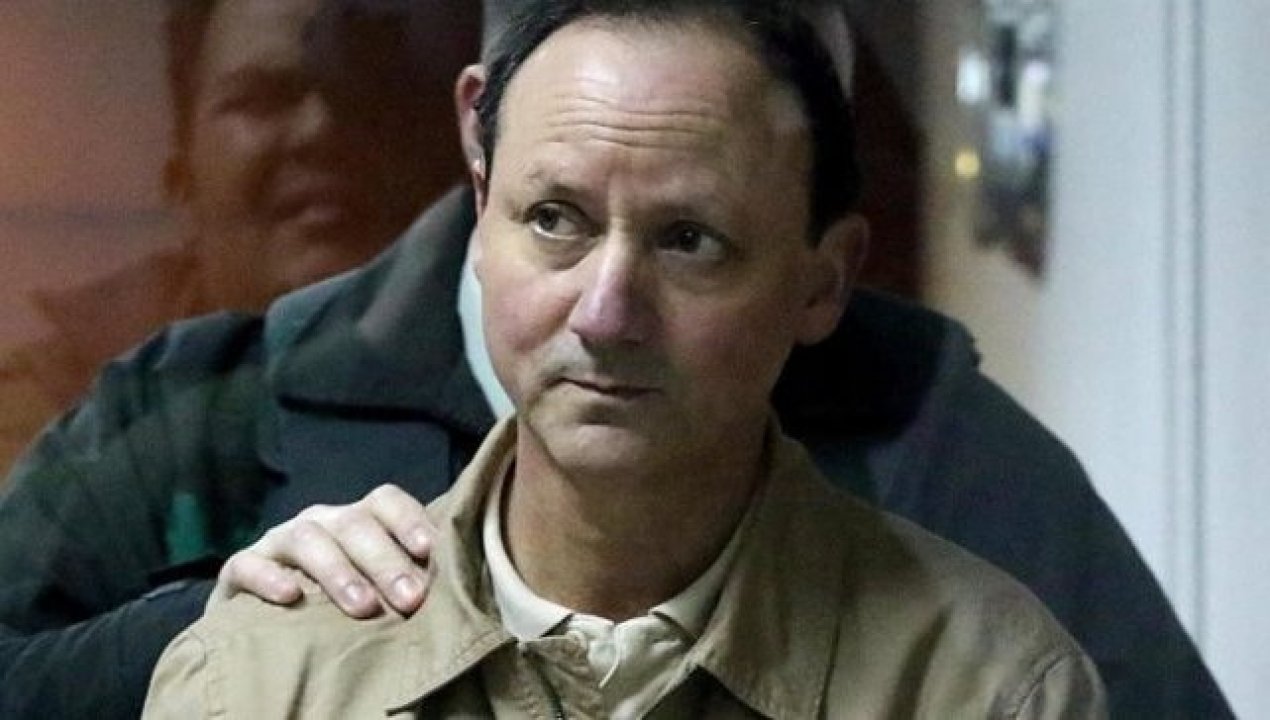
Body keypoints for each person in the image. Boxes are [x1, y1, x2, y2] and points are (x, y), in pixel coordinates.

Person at [0, 0, 1232, 718]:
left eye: (691, 240)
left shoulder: (938, 473)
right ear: (478, 151)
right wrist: (216, 630)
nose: (606, 312)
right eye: (555, 218)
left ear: (818, 275)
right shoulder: (205, 425)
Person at [0, 0, 475, 476]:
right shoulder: (46, 421)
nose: (320, 128)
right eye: (262, 99)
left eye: (360, 94)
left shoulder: (500, 386)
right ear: (182, 180)